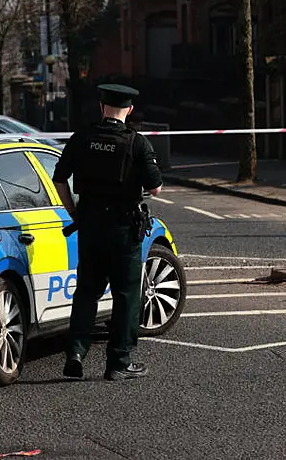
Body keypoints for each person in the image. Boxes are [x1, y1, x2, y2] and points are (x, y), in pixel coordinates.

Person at [51, 83, 163, 381]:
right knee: (126, 295)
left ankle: (76, 351)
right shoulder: (136, 143)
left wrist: (73, 211)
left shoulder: (82, 138)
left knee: (87, 291)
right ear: (130, 110)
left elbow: (59, 178)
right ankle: (119, 362)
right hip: (123, 229)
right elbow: (155, 186)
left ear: (102, 107)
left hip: (89, 226)